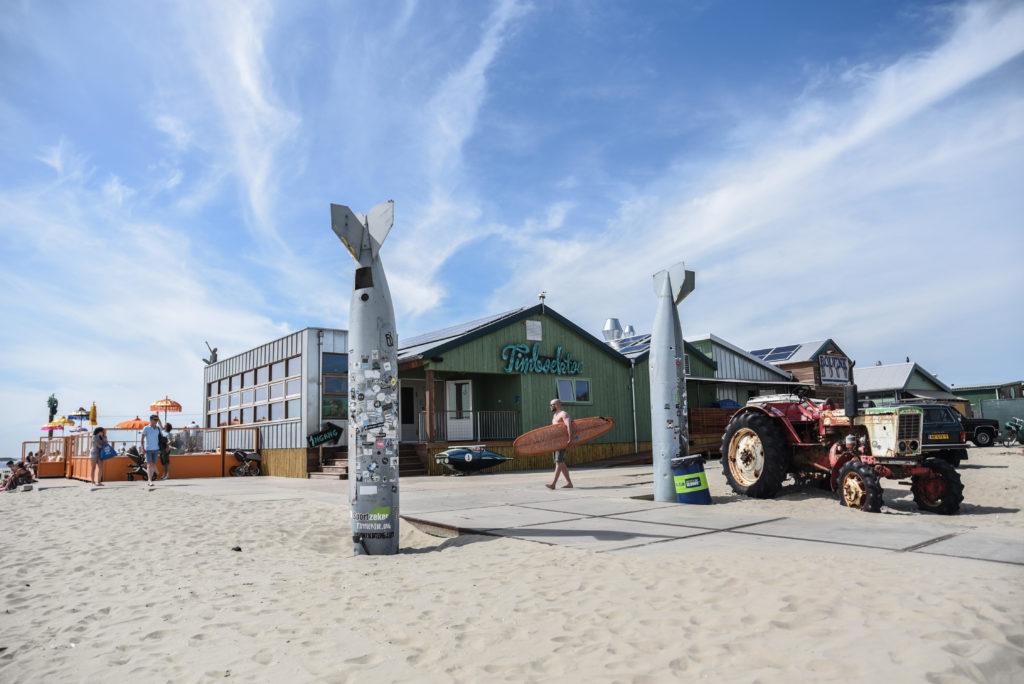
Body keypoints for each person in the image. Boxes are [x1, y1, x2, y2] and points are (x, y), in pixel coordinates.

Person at [546, 398, 574, 489]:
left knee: (558, 461)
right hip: (555, 442)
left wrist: (570, 438)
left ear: (557, 405)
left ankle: (553, 484)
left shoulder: (563, 414)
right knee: (561, 462)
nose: (550, 406)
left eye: (552, 405)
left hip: (562, 442)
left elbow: (569, 425)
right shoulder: (554, 416)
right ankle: (569, 483)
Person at [139, 414, 163, 486]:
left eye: (157, 420)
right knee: (149, 465)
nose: (156, 421)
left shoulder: (158, 428)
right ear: (151, 420)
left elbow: (162, 434)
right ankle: (149, 480)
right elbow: (142, 439)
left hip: (156, 448)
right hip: (148, 449)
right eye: (155, 420)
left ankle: (150, 479)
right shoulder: (146, 428)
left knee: (153, 465)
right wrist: (142, 448)